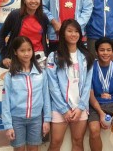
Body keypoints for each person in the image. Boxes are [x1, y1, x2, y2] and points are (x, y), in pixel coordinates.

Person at [46, 19, 94, 151]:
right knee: (55, 142)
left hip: (80, 107)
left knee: (78, 142)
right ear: (63, 34)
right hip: (59, 108)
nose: (73, 34)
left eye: (76, 31)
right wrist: (63, 109)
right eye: (69, 31)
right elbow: (52, 85)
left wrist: (80, 107)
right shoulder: (54, 56)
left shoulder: (87, 56)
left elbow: (87, 86)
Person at [1, 36, 51, 151]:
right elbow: (6, 102)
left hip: (36, 119)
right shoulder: (10, 76)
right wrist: (8, 126)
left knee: (34, 148)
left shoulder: (40, 73)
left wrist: (47, 120)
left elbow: (46, 97)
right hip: (17, 120)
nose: (26, 53)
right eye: (22, 50)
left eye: (29, 50)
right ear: (15, 52)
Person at [0, 0, 49, 69]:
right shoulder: (15, 15)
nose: (33, 1)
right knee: (20, 82)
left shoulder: (43, 17)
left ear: (40, 0)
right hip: (18, 59)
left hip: (40, 58)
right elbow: (0, 36)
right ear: (24, 0)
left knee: (39, 82)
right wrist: (5, 56)